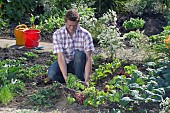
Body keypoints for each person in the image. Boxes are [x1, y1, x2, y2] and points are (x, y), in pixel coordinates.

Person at [48, 8, 94, 87]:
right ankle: (70, 79)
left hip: (80, 64)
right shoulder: (58, 34)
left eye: (74, 25)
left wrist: (87, 80)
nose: (72, 28)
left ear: (78, 23)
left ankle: (80, 79)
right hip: (66, 62)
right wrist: (66, 79)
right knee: (52, 74)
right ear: (65, 22)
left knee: (79, 54)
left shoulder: (85, 35)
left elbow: (88, 58)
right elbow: (61, 56)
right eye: (69, 25)